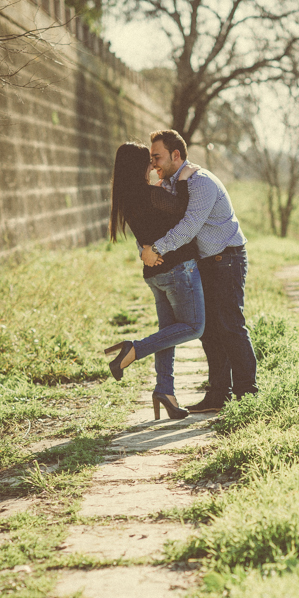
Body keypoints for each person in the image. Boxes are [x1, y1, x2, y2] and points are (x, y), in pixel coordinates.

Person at [142, 129, 257, 413]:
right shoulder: (175, 182)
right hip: (205, 261)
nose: (154, 162)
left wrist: (157, 249)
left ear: (176, 155)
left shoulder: (201, 182)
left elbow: (190, 225)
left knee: (230, 325)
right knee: (209, 331)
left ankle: (248, 394)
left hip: (227, 258)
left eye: (157, 157)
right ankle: (219, 395)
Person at [105, 142, 203, 420]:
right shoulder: (149, 195)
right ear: (139, 166)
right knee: (194, 326)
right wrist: (183, 180)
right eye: (148, 161)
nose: (153, 165)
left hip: (156, 274)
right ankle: (134, 349)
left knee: (168, 332)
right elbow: (185, 210)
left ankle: (165, 390)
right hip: (176, 270)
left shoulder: (127, 198)